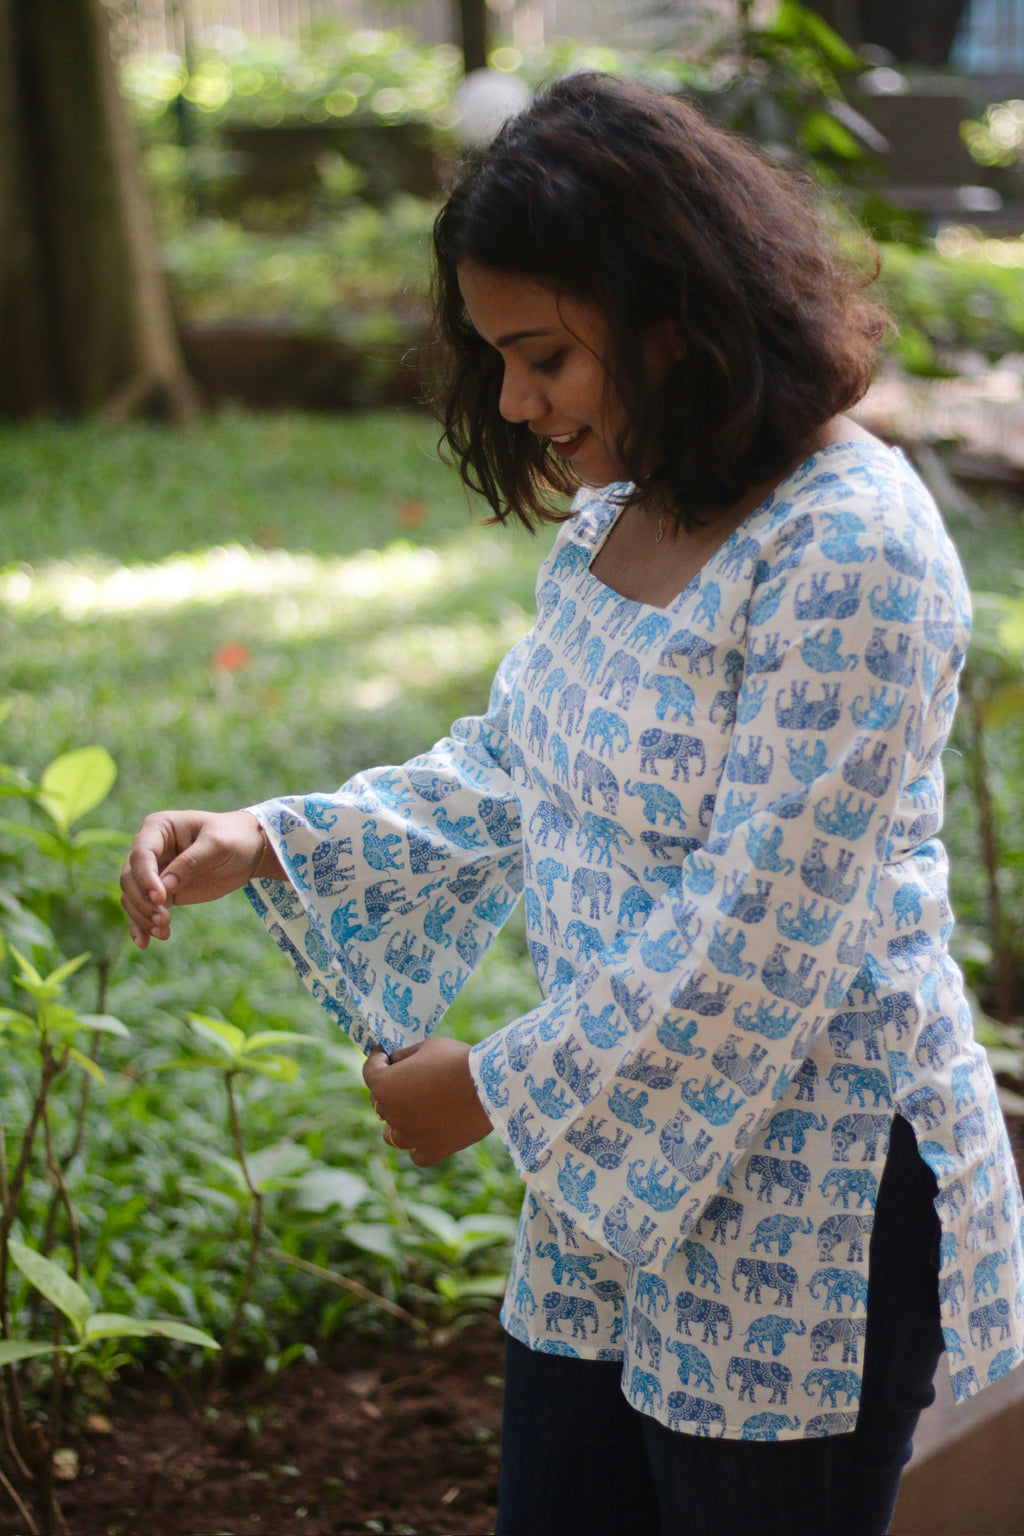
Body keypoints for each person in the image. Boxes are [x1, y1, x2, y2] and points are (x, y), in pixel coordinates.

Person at [120, 72, 1024, 1536]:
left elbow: (759, 938)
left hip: (817, 1193)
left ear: (678, 318)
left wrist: (488, 1088)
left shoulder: (855, 550)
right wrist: (271, 837)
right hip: (617, 1176)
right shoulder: (634, 503)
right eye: (496, 360)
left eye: (544, 356)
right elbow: (519, 763)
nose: (516, 404)